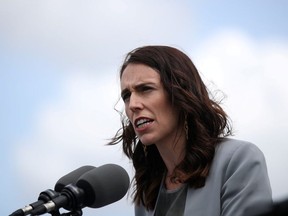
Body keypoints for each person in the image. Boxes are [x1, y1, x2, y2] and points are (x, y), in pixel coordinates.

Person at [109, 45, 273, 216]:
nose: (133, 104)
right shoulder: (147, 191)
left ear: (181, 93)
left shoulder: (238, 160)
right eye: (126, 96)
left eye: (146, 89)